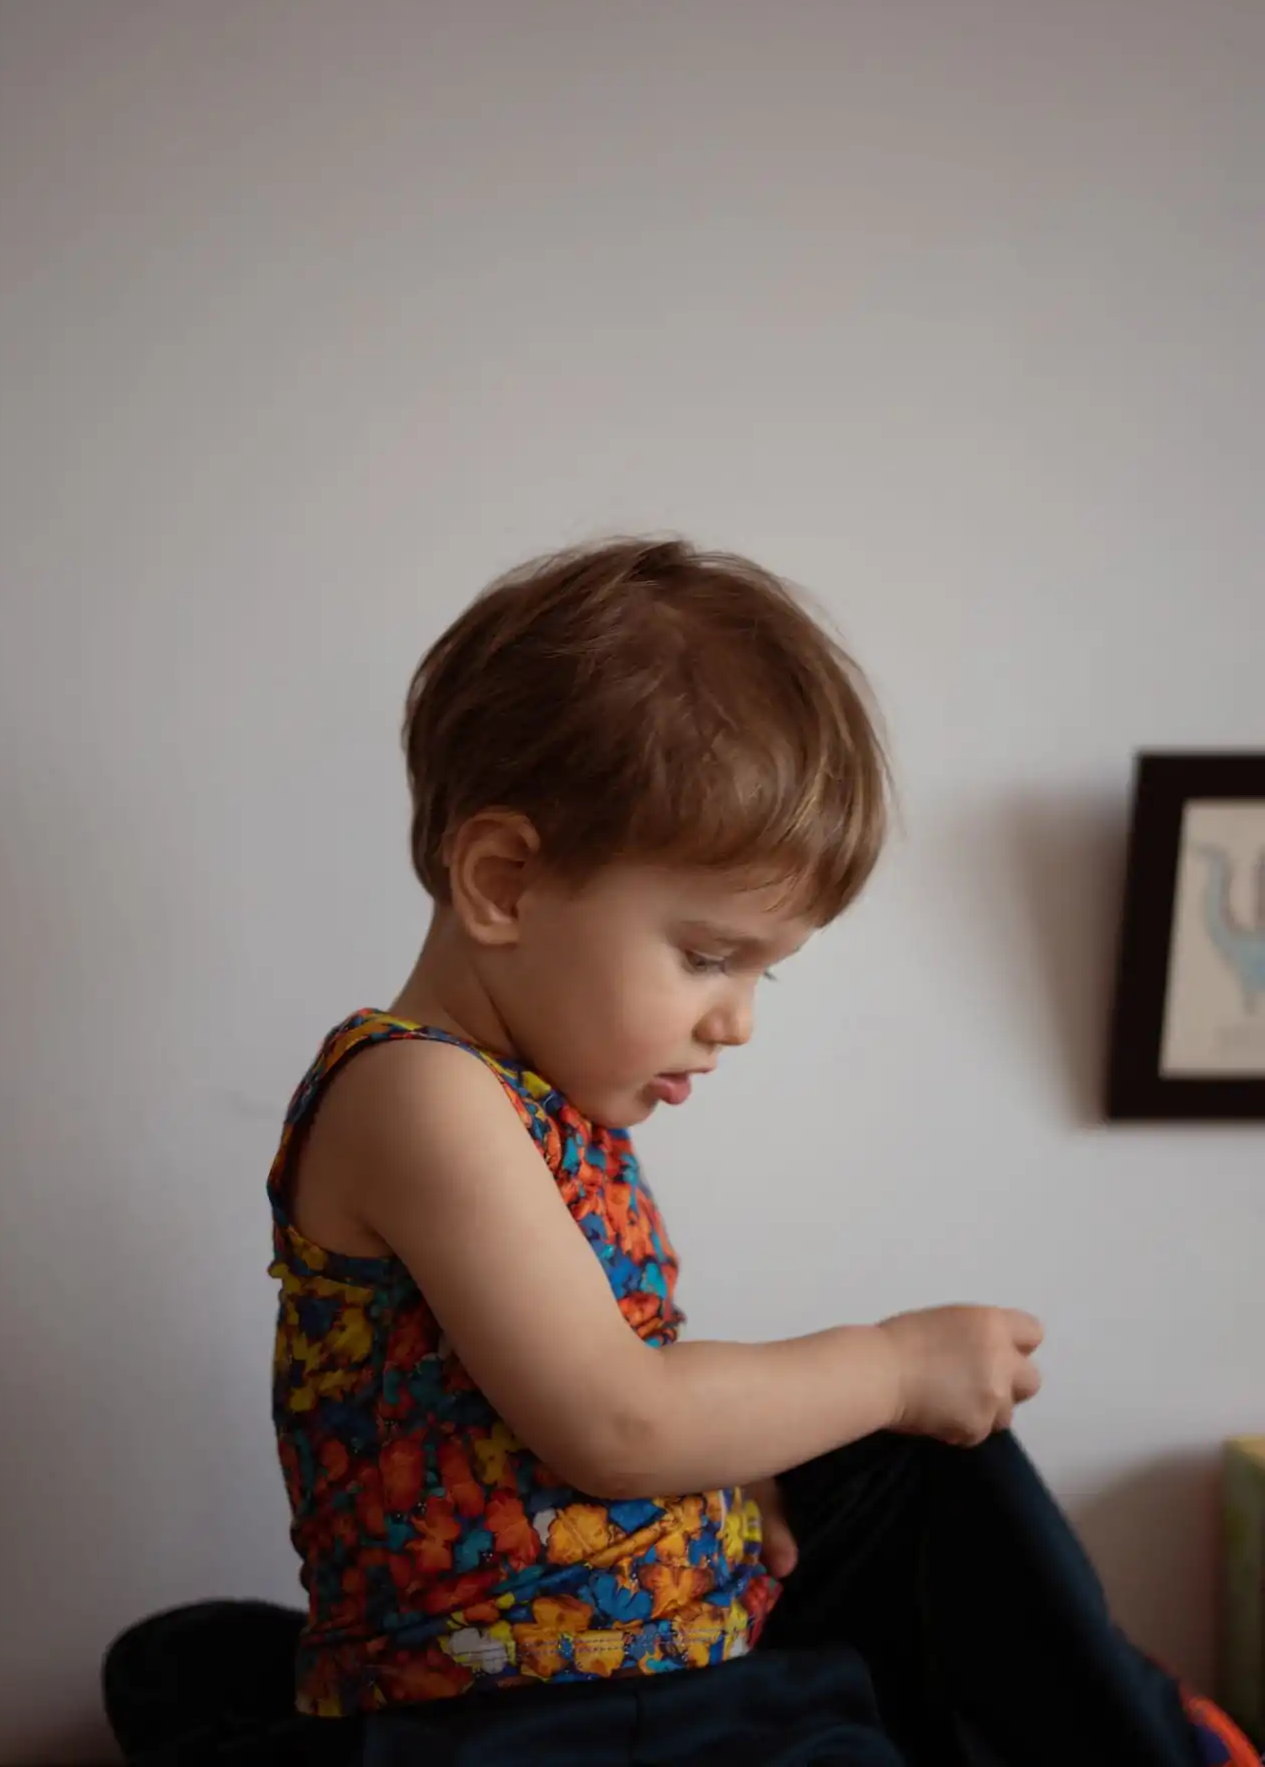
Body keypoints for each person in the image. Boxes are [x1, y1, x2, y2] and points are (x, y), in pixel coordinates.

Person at [263, 538, 1252, 1767]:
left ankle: (1138, 1729)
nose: (734, 1021)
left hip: (656, 1659)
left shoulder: (543, 1103)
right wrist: (888, 1365)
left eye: (759, 973)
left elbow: (613, 1423)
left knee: (924, 1465)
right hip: (531, 1716)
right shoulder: (416, 1091)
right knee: (897, 1419)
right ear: (503, 882)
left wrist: (736, 1485)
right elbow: (617, 1421)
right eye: (705, 957)